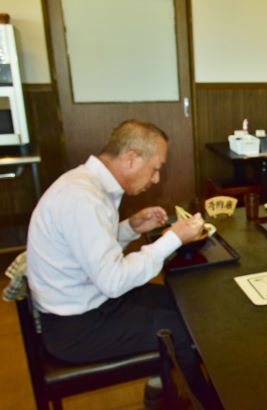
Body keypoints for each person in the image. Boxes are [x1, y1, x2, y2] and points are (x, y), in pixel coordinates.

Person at [26, 119, 216, 406]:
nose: (156, 179)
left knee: (180, 299)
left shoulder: (85, 184)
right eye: (155, 169)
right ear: (130, 158)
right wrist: (173, 239)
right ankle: (201, 402)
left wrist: (129, 228)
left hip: (87, 303)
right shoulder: (82, 198)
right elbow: (113, 281)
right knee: (179, 327)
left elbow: (88, 250)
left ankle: (160, 385)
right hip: (76, 328)